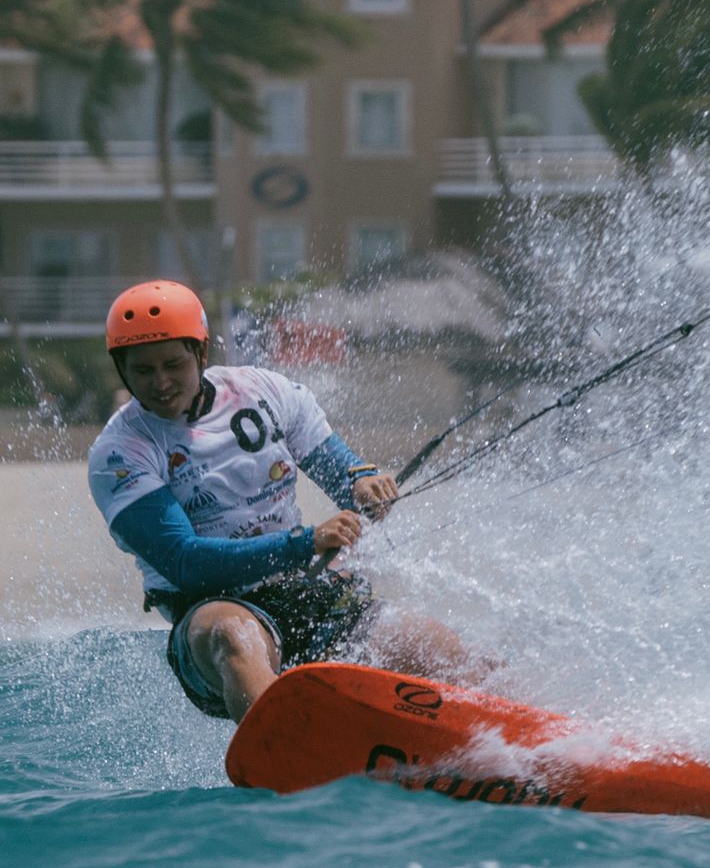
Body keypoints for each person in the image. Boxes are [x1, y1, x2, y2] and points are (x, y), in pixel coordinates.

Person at [88, 279, 476, 722]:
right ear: (122, 370)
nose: (161, 382)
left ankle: (543, 749)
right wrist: (304, 542)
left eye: (173, 364)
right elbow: (184, 562)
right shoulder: (120, 452)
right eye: (143, 370)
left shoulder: (261, 390)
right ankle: (284, 750)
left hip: (308, 589)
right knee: (234, 634)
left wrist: (364, 483)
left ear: (201, 352)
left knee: (450, 653)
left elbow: (341, 471)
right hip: (212, 615)